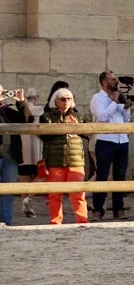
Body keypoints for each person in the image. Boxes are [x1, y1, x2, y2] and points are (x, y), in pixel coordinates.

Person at [36, 85, 89, 225]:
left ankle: (82, 221)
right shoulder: (46, 117)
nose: (66, 101)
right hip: (54, 161)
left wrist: (77, 127)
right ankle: (55, 222)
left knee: (78, 194)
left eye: (69, 98)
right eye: (63, 99)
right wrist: (63, 129)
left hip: (75, 161)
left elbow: (88, 134)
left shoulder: (78, 116)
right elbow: (43, 137)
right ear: (56, 101)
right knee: (54, 194)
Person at [87, 70, 132, 220]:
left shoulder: (119, 97)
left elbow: (125, 121)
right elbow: (102, 117)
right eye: (113, 80)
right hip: (106, 140)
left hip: (122, 140)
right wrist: (114, 102)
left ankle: (118, 208)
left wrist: (126, 107)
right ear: (105, 82)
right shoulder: (97, 98)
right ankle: (98, 209)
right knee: (102, 175)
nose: (116, 82)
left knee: (120, 176)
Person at [0, 85, 29, 226]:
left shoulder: (7, 111)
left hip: (10, 155)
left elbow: (26, 120)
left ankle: (6, 222)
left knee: (9, 190)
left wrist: (21, 102)